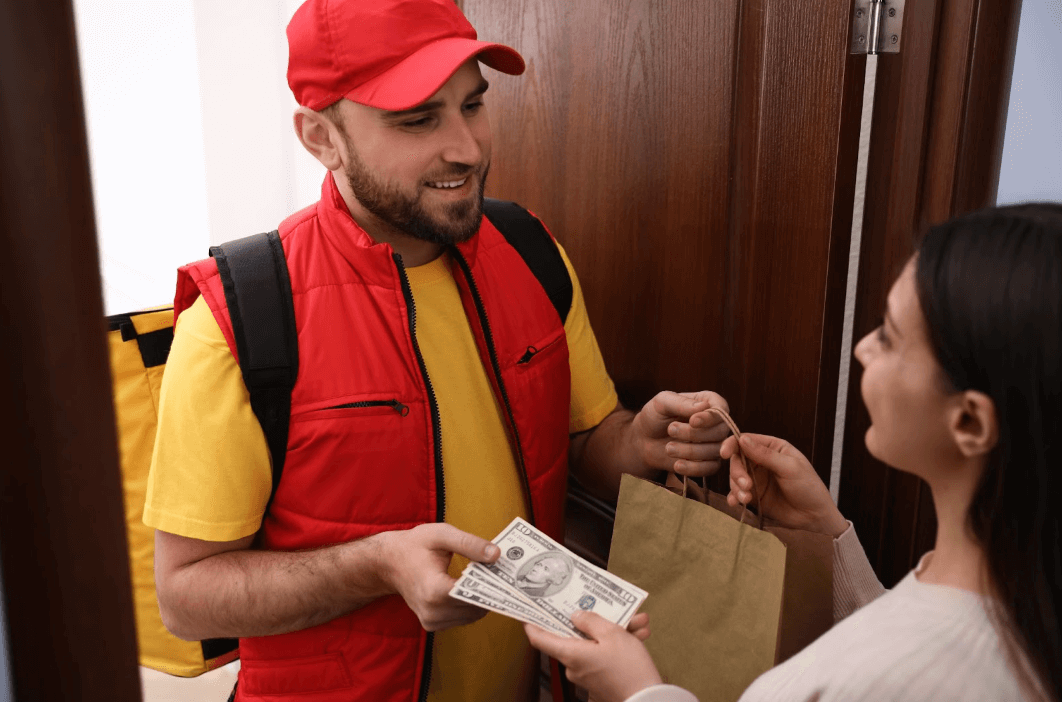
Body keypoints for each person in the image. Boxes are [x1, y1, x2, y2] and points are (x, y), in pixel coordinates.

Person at [144, 1, 729, 701]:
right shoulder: (237, 320)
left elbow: (583, 442)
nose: (468, 147)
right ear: (321, 137)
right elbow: (185, 597)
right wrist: (377, 566)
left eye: (473, 105)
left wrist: (642, 443)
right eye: (418, 119)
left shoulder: (531, 252)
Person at [526, 203, 1062, 702]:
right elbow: (904, 630)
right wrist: (829, 534)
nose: (863, 347)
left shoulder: (898, 674)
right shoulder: (1019, 607)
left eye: (891, 338)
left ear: (969, 421)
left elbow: (898, 664)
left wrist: (640, 689)